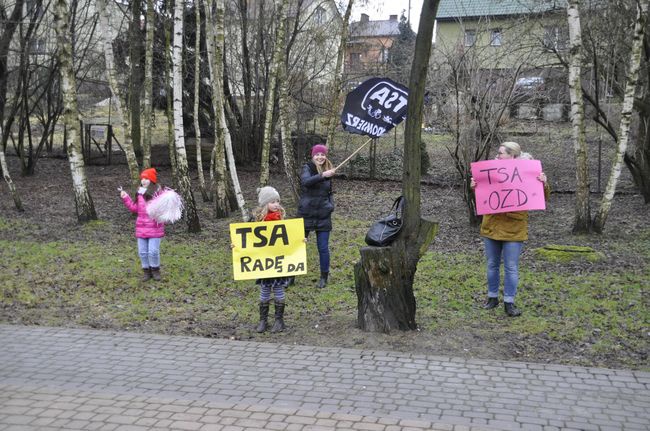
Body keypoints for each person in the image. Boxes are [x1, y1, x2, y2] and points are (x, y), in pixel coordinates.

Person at [470, 142, 549, 317]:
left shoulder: (528, 171)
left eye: (500, 153)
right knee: (492, 265)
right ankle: (492, 298)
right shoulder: (489, 170)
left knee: (511, 267)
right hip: (491, 226)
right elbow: (482, 197)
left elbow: (541, 197)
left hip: (514, 229)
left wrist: (543, 183)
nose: (497, 156)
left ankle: (509, 302)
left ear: (512, 155)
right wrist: (475, 186)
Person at [251, 186, 290, 333]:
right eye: (272, 201)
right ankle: (263, 320)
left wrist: (300, 240)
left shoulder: (282, 219)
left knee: (279, 288)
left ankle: (279, 321)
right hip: (264, 261)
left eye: (277, 201)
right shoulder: (257, 221)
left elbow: (290, 238)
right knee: (265, 289)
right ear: (265, 204)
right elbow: (248, 240)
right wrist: (236, 246)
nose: (276, 204)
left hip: (278, 260)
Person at [298, 144, 336, 289]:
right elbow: (306, 182)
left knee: (323, 248)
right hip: (306, 213)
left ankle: (323, 277)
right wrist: (322, 175)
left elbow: (329, 191)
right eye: (317, 154)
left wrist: (330, 205)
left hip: (323, 214)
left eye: (323, 154)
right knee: (299, 246)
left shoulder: (329, 169)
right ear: (312, 156)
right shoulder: (307, 168)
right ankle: (291, 276)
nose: (320, 157)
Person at [120, 168, 165, 282]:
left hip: (155, 228)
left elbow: (163, 209)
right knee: (142, 252)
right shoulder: (139, 193)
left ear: (152, 180)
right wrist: (126, 197)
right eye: (142, 178)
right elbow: (135, 208)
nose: (144, 180)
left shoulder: (158, 193)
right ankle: (146, 271)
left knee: (153, 251)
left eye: (147, 178)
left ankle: (155, 270)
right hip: (141, 228)